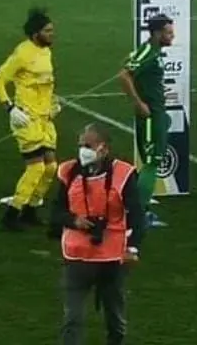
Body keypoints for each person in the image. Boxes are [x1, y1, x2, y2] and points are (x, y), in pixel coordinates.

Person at [51, 123, 143, 345]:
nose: (83, 150)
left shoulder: (123, 174)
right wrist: (73, 220)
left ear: (104, 148)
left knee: (116, 319)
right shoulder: (69, 171)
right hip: (77, 256)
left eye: (89, 145)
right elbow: (56, 212)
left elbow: (137, 215)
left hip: (111, 257)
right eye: (81, 145)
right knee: (72, 319)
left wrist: (132, 248)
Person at [0, 8, 59, 230]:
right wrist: (10, 109)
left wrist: (53, 103)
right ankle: (11, 215)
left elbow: (46, 83)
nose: (52, 34)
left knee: (51, 168)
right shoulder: (22, 54)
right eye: (47, 31)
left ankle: (30, 209)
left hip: (45, 119)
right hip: (26, 119)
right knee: (36, 168)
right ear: (35, 33)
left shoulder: (46, 52)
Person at [118, 14, 175, 228]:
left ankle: (137, 209)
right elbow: (124, 75)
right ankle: (137, 216)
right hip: (151, 117)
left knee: (150, 162)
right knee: (152, 163)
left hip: (156, 114)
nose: (172, 36)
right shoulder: (149, 52)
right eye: (169, 32)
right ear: (158, 33)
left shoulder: (152, 51)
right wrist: (139, 103)